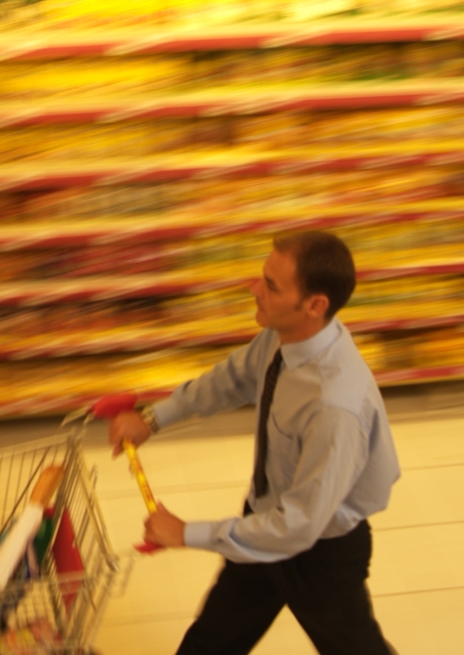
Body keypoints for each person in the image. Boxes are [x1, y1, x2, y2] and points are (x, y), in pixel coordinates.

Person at [108, 231, 400, 655]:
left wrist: (187, 533)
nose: (254, 289)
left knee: (355, 648)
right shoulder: (287, 336)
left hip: (321, 553)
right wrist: (154, 419)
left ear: (315, 305)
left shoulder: (336, 407)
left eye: (271, 285)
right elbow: (233, 379)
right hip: (263, 524)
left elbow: (299, 526)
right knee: (212, 641)